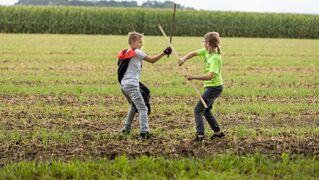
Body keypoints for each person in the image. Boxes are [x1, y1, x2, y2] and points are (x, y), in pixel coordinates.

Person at [117, 31, 172, 139]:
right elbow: (152, 60)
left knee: (133, 105)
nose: (141, 44)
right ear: (133, 41)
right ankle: (144, 132)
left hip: (124, 86)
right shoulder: (137, 52)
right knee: (143, 108)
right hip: (132, 85)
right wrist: (164, 52)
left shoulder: (125, 53)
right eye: (140, 42)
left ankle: (126, 128)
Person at [178, 32, 225, 142]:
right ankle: (218, 133)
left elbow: (210, 76)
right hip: (212, 87)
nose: (203, 43)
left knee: (198, 110)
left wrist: (193, 77)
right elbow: (193, 53)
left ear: (208, 43)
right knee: (206, 110)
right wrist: (183, 59)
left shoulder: (215, 58)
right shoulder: (206, 52)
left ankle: (200, 136)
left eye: (204, 41)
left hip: (214, 88)